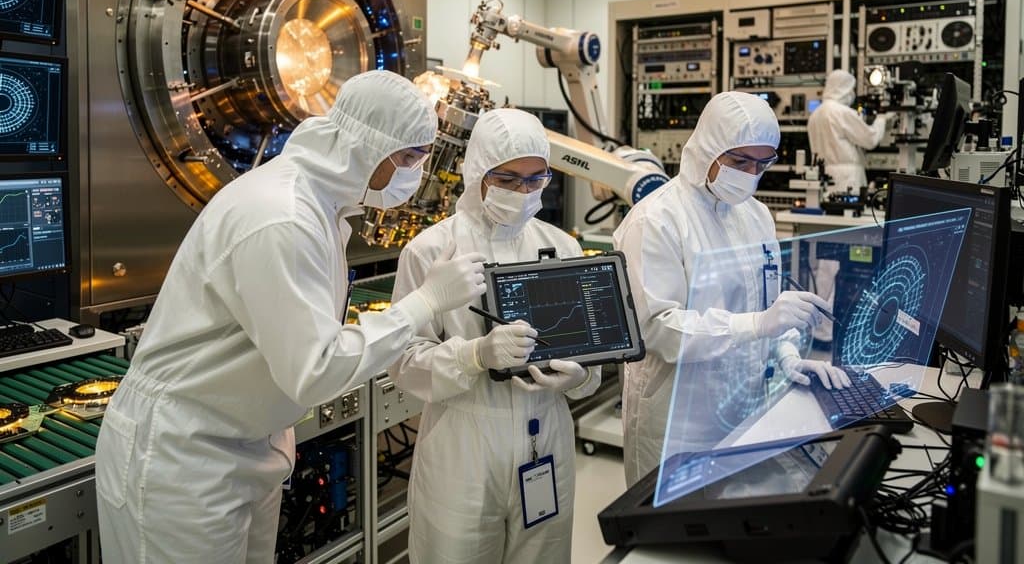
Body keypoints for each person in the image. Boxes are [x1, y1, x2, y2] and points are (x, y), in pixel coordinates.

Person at [95, 70, 488, 564]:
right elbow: (315, 369)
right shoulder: (281, 215)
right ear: (369, 148)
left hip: (244, 445)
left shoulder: (321, 206)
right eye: (409, 158)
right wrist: (424, 304)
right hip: (182, 458)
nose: (415, 173)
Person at [388, 107, 601, 564]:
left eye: (535, 179)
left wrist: (580, 378)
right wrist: (474, 355)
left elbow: (593, 355)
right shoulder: (429, 251)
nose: (522, 192)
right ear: (477, 172)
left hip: (547, 439)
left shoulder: (563, 246)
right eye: (507, 179)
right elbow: (404, 363)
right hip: (463, 444)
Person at [613, 91, 851, 487]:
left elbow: (766, 307)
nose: (750, 173)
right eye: (739, 160)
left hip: (743, 408)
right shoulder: (656, 220)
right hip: (678, 423)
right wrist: (757, 325)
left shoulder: (756, 215)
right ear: (707, 147)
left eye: (762, 163)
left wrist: (788, 354)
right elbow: (657, 330)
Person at [807, 69, 890, 193]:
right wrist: (882, 119)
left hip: (822, 178)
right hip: (847, 179)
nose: (852, 94)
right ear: (843, 89)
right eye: (851, 89)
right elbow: (870, 140)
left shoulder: (814, 115)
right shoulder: (842, 112)